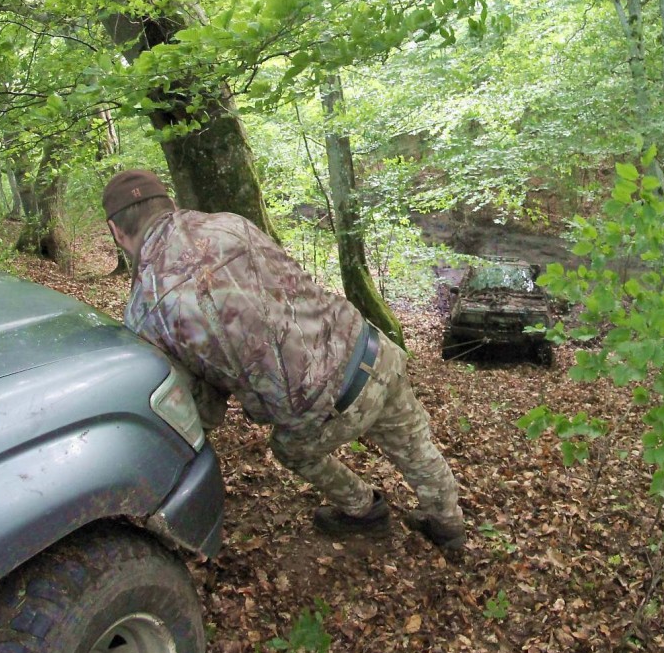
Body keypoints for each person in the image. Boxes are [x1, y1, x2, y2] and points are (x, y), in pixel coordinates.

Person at [101, 169, 465, 553]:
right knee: (416, 444)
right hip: (371, 349)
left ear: (116, 231)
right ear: (170, 203)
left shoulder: (144, 313)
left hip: (325, 409)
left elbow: (205, 410)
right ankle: (448, 524)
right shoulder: (231, 225)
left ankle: (363, 510)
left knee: (289, 450)